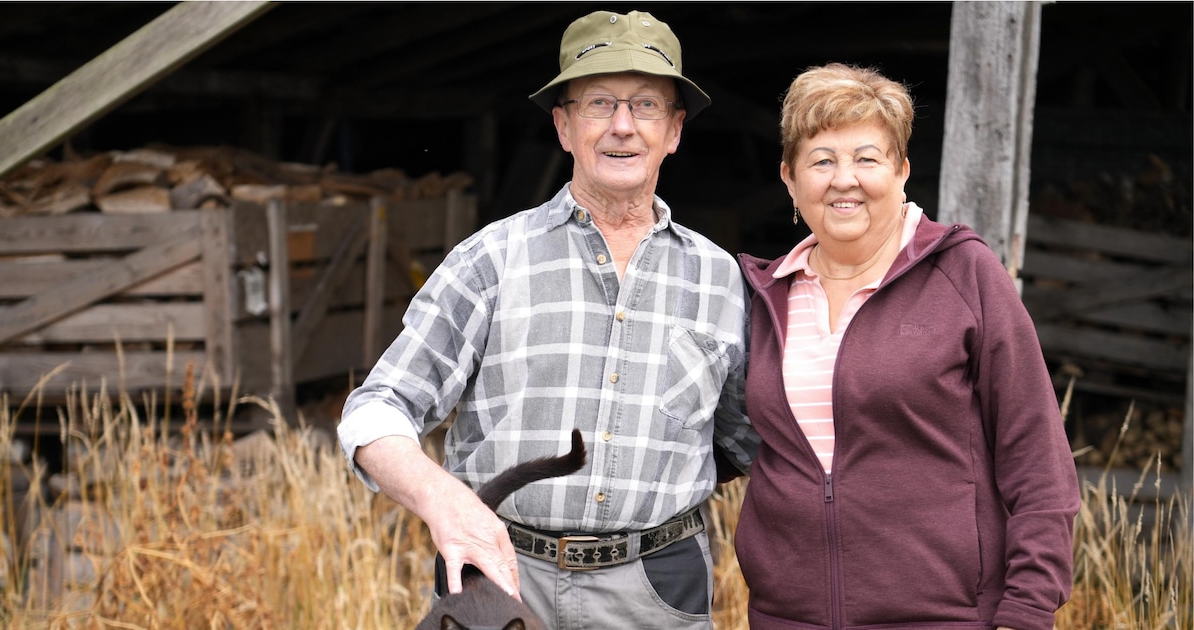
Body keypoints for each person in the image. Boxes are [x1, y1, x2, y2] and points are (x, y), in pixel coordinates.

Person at [337, 9, 757, 629]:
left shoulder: (721, 279)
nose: (622, 127)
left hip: (654, 592)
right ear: (563, 126)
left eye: (645, 106)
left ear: (674, 130)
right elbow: (375, 410)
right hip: (501, 580)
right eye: (598, 104)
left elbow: (752, 441)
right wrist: (444, 500)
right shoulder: (489, 260)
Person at [734, 63, 1080, 630]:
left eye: (866, 158)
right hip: (786, 617)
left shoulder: (965, 274)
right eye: (822, 160)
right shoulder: (764, 296)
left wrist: (1027, 609)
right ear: (790, 179)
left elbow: (1039, 463)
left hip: (943, 616)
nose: (844, 178)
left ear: (901, 171)